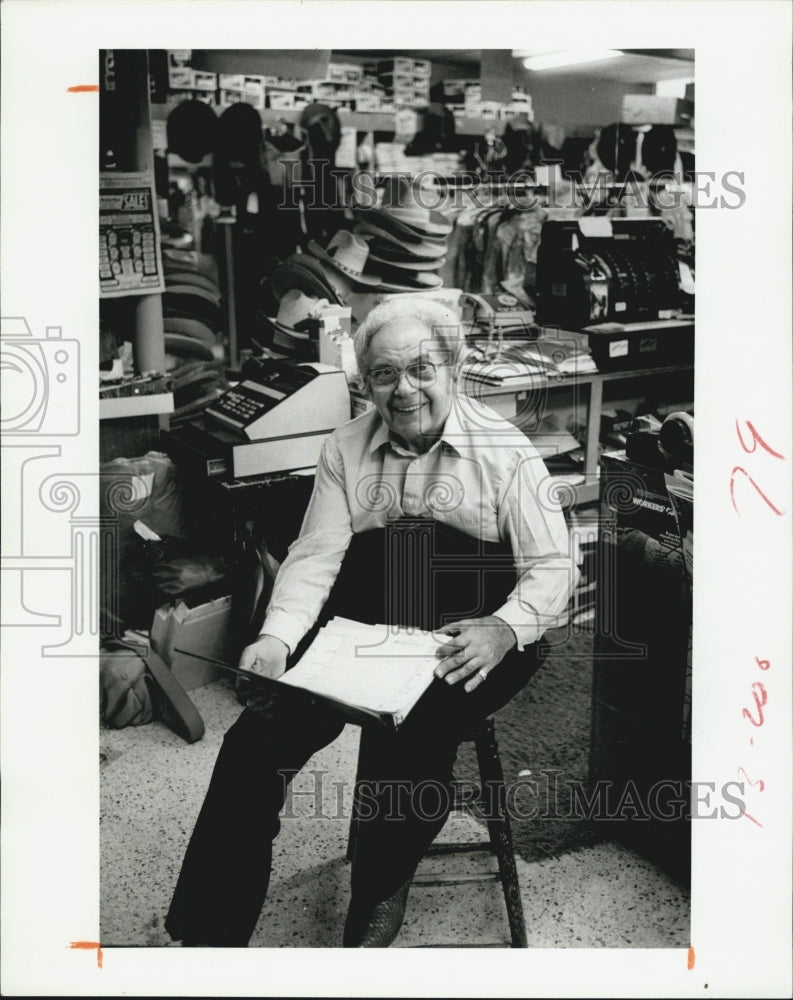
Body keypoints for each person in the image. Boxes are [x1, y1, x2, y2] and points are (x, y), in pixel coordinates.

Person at [165, 297, 578, 947]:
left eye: (421, 369)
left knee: (410, 743)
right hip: (369, 615)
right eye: (384, 374)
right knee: (252, 744)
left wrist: (502, 629)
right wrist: (275, 640)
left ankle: (381, 887)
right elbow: (316, 556)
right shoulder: (345, 446)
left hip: (479, 625)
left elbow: (553, 569)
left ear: (454, 366)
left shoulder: (507, 453)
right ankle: (208, 937)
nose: (404, 389)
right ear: (365, 383)